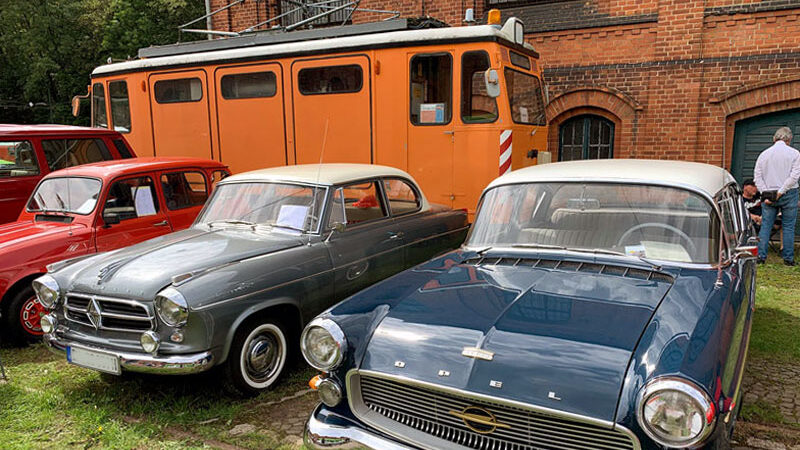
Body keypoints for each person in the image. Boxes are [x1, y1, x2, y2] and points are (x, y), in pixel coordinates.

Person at [754, 126, 800, 265]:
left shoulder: (764, 154)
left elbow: (757, 177)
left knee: (766, 225)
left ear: (774, 138)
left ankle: (761, 257)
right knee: (788, 226)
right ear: (789, 139)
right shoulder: (795, 153)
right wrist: (781, 192)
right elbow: (794, 177)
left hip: (768, 193)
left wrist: (765, 194)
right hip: (789, 193)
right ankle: (788, 258)